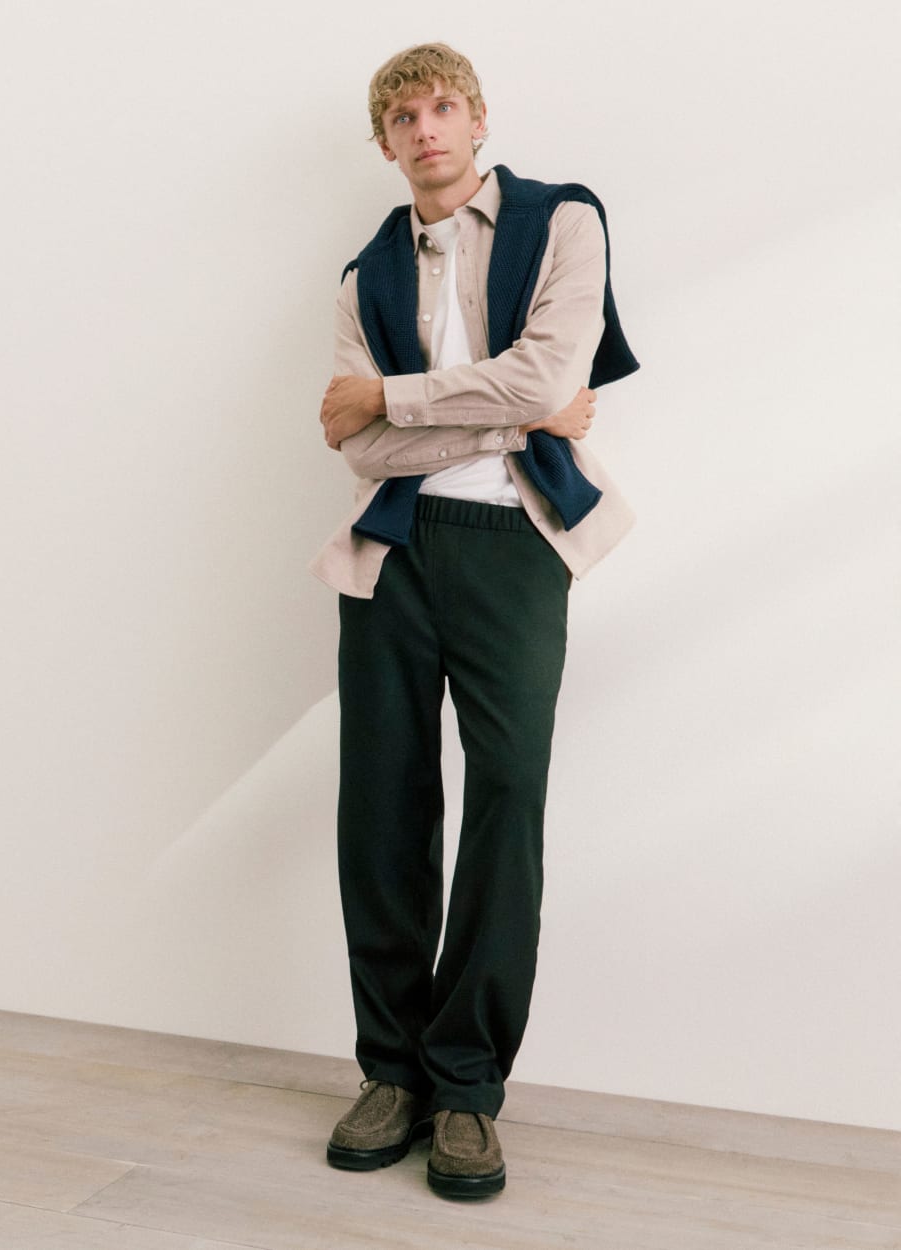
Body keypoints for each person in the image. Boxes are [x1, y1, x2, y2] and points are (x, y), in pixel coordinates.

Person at [310, 42, 639, 1199]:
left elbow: (548, 371)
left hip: (513, 549)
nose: (425, 128)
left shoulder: (564, 223)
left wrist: (397, 397)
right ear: (385, 144)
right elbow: (359, 447)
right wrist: (515, 415)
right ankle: (391, 1071)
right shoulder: (363, 275)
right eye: (402, 117)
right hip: (394, 552)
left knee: (506, 803)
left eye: (441, 105)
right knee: (382, 809)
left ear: (478, 116)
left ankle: (465, 1084)